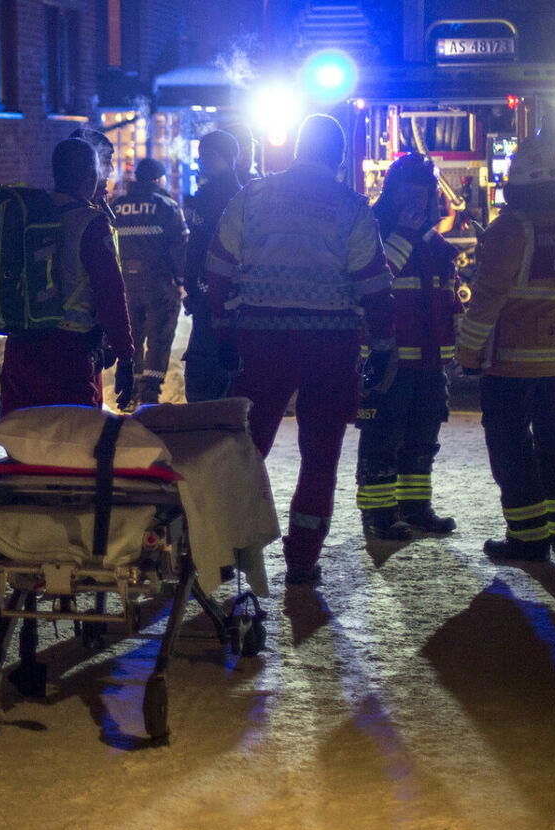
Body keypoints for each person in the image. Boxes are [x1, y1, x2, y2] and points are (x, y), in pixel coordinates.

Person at [206, 114, 397, 586]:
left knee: (248, 447)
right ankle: (303, 560)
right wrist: (385, 346)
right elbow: (374, 288)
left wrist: (225, 326)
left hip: (262, 340)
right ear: (338, 157)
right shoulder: (352, 208)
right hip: (329, 347)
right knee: (320, 453)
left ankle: (226, 546)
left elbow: (216, 268)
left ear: (295, 147)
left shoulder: (252, 196)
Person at [456, 139, 555, 563]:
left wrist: (467, 353)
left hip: (511, 361)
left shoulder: (510, 229)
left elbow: (486, 299)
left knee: (511, 447)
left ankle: (528, 536)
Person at [354, 153, 460, 540]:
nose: (417, 203)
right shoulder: (375, 231)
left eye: (424, 194)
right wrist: (405, 235)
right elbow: (376, 280)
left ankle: (416, 509)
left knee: (422, 438)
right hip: (390, 359)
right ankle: (379, 514)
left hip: (430, 360)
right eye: (409, 195)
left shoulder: (435, 242)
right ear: (392, 194)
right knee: (383, 436)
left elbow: (445, 297)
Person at [0, 137, 135, 416]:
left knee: (22, 442)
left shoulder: (28, 213)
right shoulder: (92, 224)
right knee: (72, 446)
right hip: (69, 354)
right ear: (88, 178)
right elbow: (111, 294)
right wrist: (125, 355)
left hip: (21, 348)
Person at [110, 156, 188, 409]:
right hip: (159, 286)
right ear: (158, 179)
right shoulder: (166, 206)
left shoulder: (117, 206)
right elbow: (180, 248)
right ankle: (149, 397)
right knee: (158, 341)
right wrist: (182, 281)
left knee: (131, 339)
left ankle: (129, 395)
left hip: (124, 288)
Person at [181, 130, 243, 401]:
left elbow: (202, 248)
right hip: (212, 296)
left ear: (226, 158)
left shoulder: (221, 197)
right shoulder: (228, 195)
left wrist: (197, 289)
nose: (201, 162)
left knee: (205, 375)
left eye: (207, 156)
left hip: (216, 298)